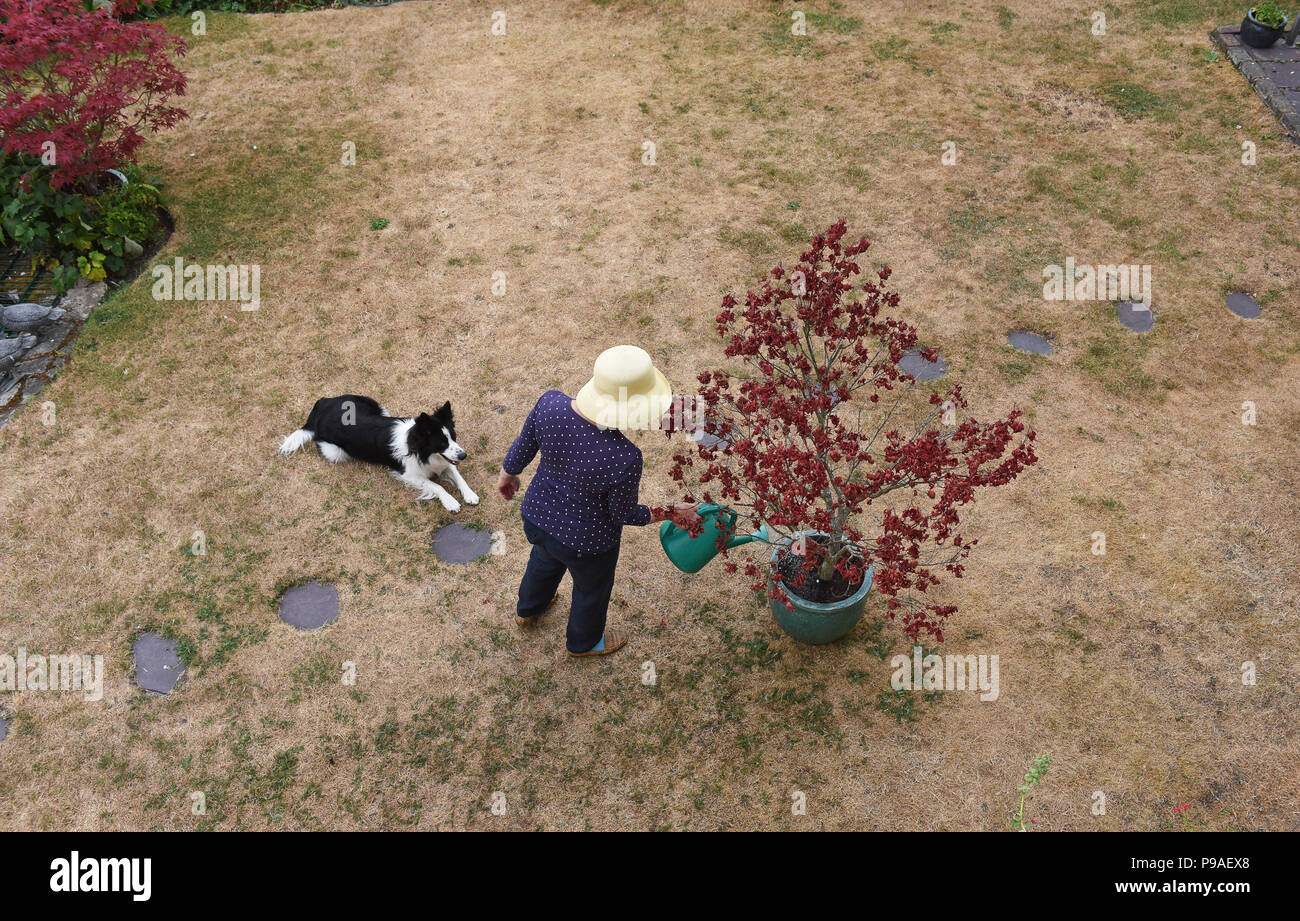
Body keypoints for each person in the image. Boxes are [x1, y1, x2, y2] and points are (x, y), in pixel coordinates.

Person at [498, 345, 700, 657]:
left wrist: (508, 473)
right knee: (591, 590)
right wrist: (670, 512)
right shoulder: (625, 457)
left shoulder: (550, 403)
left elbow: (525, 443)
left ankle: (528, 609)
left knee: (543, 560)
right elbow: (622, 514)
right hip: (586, 546)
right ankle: (584, 642)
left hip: (537, 518)